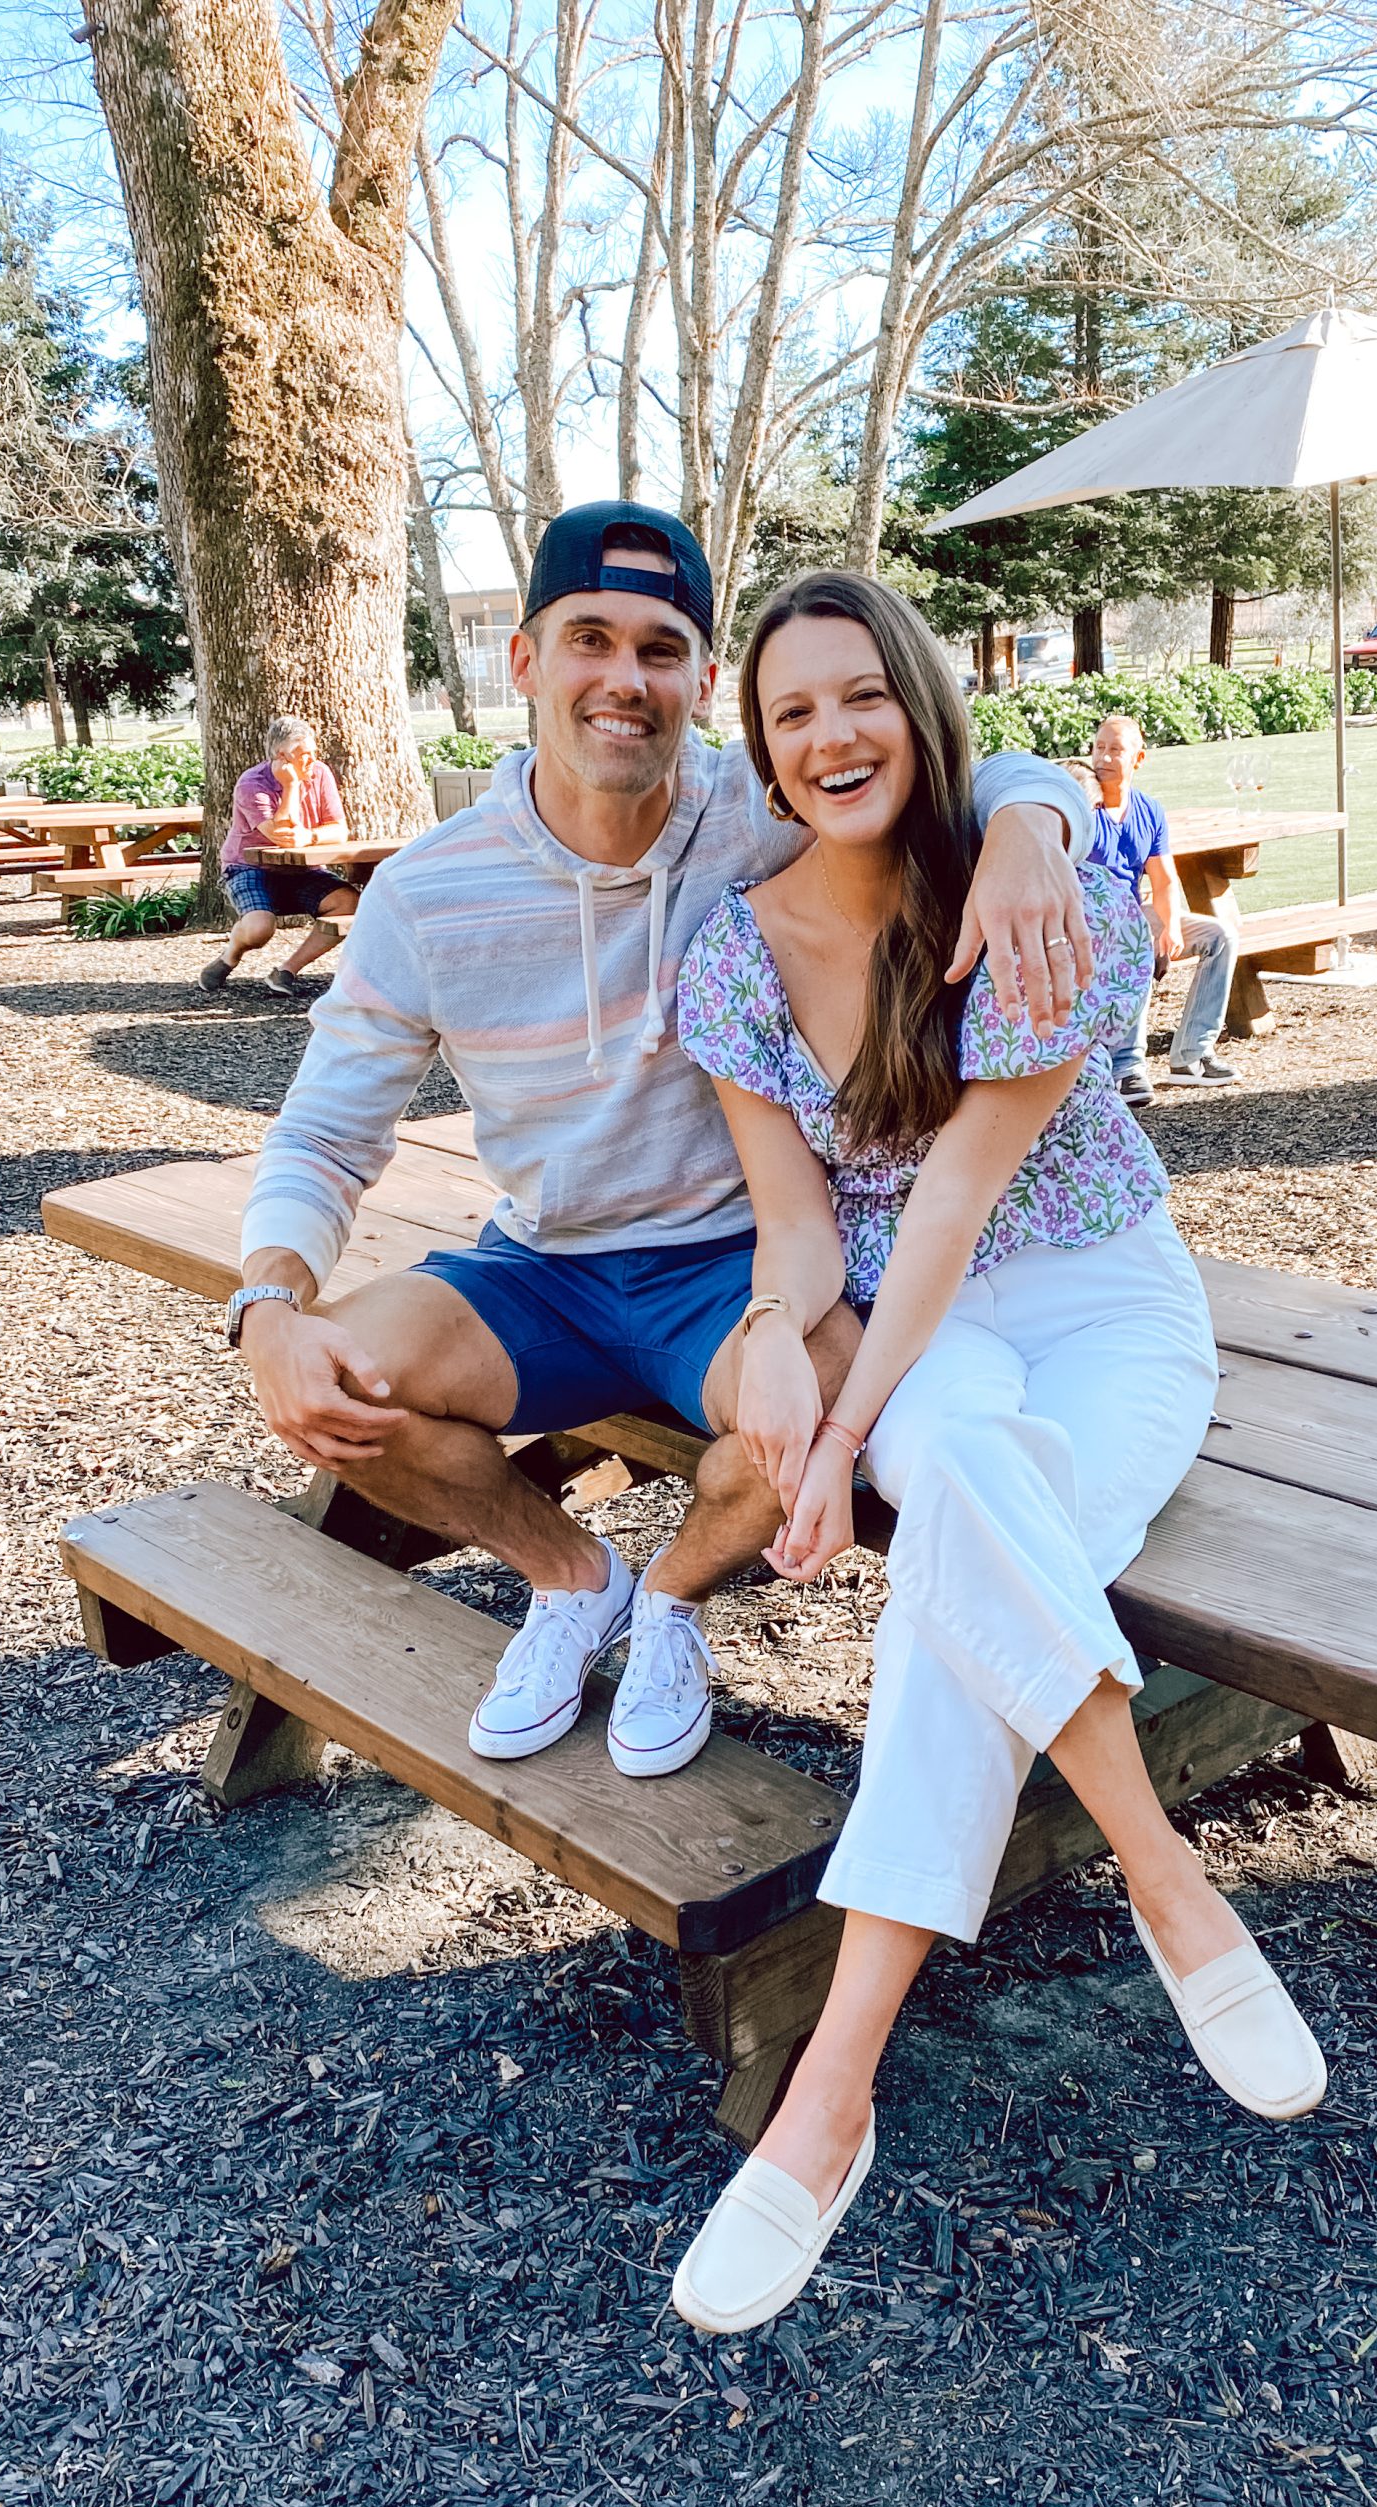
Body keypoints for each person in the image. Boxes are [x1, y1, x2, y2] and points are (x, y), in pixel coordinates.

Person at [668, 572, 1323, 2338]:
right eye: (792, 713)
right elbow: (805, 1235)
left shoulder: (1036, 892)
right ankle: (1162, 1873)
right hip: (915, 1324)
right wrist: (778, 1359)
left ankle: (833, 2098)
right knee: (957, 1472)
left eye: (859, 696)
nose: (831, 738)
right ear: (765, 747)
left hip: (1099, 1302)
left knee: (950, 1512)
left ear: (921, 703)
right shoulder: (734, 949)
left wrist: (850, 1439)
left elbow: (957, 1192)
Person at [229, 501, 1095, 1782]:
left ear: (699, 679)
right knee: (336, 1386)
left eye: (660, 647)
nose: (623, 680)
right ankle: (574, 1577)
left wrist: (1034, 828)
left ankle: (671, 1599)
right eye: (590, 639)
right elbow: (325, 1131)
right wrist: (268, 1303)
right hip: (541, 1268)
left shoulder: (766, 810)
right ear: (525, 662)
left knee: (816, 1414)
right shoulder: (426, 890)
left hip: (740, 1267)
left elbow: (958, 767)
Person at [1066, 721, 1240, 1102]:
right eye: (1098, 748)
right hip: (1086, 919)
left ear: (1138, 758)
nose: (1104, 758)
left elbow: (1162, 881)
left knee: (1219, 937)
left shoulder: (1148, 810)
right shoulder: (1080, 805)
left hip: (1134, 912)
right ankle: (1126, 1067)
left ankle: (1192, 1056)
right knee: (1137, 939)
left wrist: (1171, 927)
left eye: (1116, 750)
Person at [199, 715, 359, 997]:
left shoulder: (320, 773)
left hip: (303, 870)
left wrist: (310, 837)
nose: (311, 762)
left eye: (313, 753)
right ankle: (230, 955)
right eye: (303, 756)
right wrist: (292, 785)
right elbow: (281, 835)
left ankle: (286, 971)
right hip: (249, 868)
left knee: (350, 904)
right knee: (261, 928)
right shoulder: (251, 784)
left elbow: (339, 829)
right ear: (280, 756)